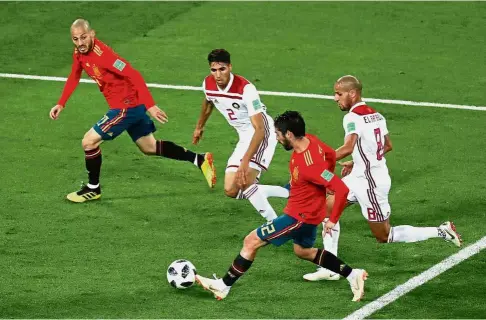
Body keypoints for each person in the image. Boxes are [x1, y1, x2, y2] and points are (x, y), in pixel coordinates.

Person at [195, 111, 368, 302]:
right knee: (302, 251)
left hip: (298, 216)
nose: (276, 139)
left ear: (289, 135)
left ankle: (223, 286)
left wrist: (332, 220)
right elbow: (330, 155)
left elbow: (341, 189)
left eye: (277, 134)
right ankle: (354, 275)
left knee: (251, 241)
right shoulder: (311, 140)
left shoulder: (311, 167)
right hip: (309, 213)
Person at [303, 75, 462, 282]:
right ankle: (331, 268)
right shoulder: (376, 115)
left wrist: (318, 160)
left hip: (371, 184)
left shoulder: (351, 118)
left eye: (339, 94)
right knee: (326, 210)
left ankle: (441, 231)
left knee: (384, 235)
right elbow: (386, 146)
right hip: (360, 176)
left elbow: (348, 146)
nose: (335, 98)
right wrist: (357, 160)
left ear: (352, 93)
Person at [49, 19, 216, 202]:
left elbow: (133, 74)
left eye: (83, 37)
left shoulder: (105, 55)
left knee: (88, 142)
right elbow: (74, 75)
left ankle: (93, 188)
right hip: (131, 106)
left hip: (126, 107)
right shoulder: (79, 53)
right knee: (149, 147)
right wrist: (61, 103)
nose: (80, 43)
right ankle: (200, 160)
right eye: (75, 39)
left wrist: (150, 104)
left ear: (92, 34)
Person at [192, 49, 288, 222]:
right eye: (213, 70)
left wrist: (245, 162)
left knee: (245, 184)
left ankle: (275, 225)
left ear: (230, 67)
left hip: (263, 134)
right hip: (244, 136)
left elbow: (259, 129)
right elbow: (208, 102)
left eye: (222, 69)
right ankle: (289, 192)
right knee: (231, 189)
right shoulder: (208, 83)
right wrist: (199, 127)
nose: (218, 75)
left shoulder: (246, 89)